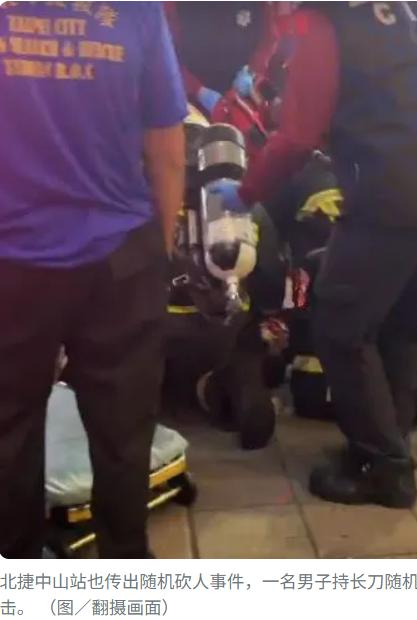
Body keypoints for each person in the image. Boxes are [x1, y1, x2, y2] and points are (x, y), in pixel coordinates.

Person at [212, 1, 417, 509]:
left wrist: (247, 192)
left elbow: (297, 137)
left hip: (392, 196)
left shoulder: (326, 22)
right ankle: (390, 443)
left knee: (341, 326)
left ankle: (384, 468)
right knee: (404, 323)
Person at [0, 2, 186, 559]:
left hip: (13, 260)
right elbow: (167, 149)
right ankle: (125, 568)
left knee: (9, 425)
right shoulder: (137, 11)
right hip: (119, 256)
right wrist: (161, 250)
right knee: (123, 432)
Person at [164, 1, 284, 116]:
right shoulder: (176, 4)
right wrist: (198, 90)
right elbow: (166, 53)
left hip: (242, 92)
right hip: (190, 98)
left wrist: (251, 71)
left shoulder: (259, 4)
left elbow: (269, 38)